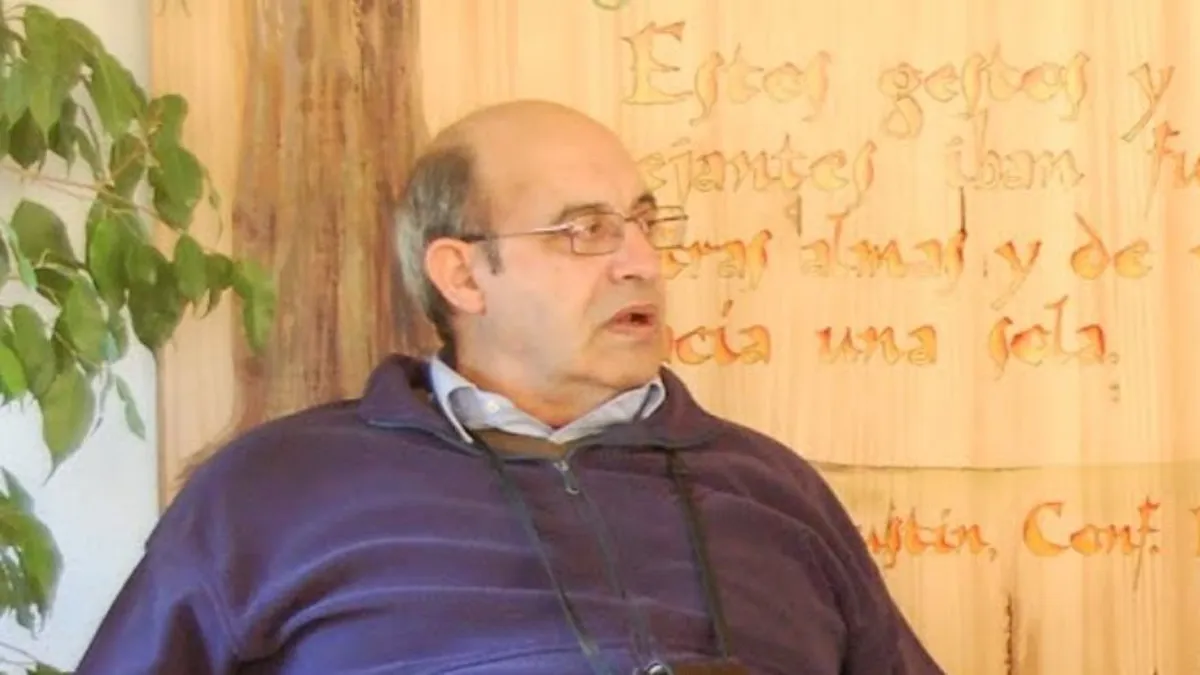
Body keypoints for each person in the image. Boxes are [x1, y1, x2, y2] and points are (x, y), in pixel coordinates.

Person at [75, 100, 945, 674]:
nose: (641, 261)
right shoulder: (273, 491)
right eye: (584, 231)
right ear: (462, 274)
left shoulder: (774, 490)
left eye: (644, 223)